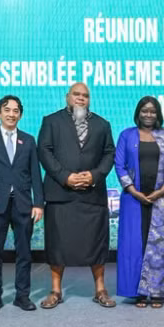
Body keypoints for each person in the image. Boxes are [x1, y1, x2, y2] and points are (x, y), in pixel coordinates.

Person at [37, 82, 116, 309]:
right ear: (67, 97)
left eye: (85, 95)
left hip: (92, 194)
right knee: (57, 244)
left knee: (97, 243)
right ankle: (55, 291)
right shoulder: (51, 121)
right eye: (76, 94)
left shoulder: (102, 124)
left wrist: (94, 175)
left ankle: (100, 290)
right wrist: (65, 177)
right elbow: (44, 151)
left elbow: (109, 153)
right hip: (60, 193)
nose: (81, 98)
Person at [0, 95, 44, 314]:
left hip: (23, 204)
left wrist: (38, 203)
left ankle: (22, 296)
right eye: (7, 110)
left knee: (24, 253)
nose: (11, 114)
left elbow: (35, 175)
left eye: (16, 111)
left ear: (20, 115)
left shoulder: (29, 140)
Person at [114, 97, 164, 308]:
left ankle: (158, 292)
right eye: (144, 111)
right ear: (138, 113)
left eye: (153, 111)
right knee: (134, 245)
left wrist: (161, 190)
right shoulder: (126, 135)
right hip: (133, 200)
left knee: (161, 247)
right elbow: (119, 165)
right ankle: (138, 293)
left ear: (158, 114)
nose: (148, 115)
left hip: (161, 201)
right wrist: (133, 191)